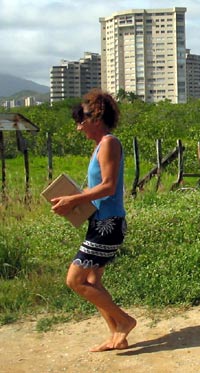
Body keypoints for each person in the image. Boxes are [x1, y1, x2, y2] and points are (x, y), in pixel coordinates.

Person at [50, 89, 136, 351]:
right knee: (92, 283)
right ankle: (116, 335)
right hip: (100, 222)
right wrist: (73, 201)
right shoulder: (101, 145)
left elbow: (109, 187)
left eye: (82, 121)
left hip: (108, 225)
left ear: (96, 117)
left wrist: (72, 200)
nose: (79, 127)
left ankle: (125, 321)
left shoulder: (109, 143)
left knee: (75, 281)